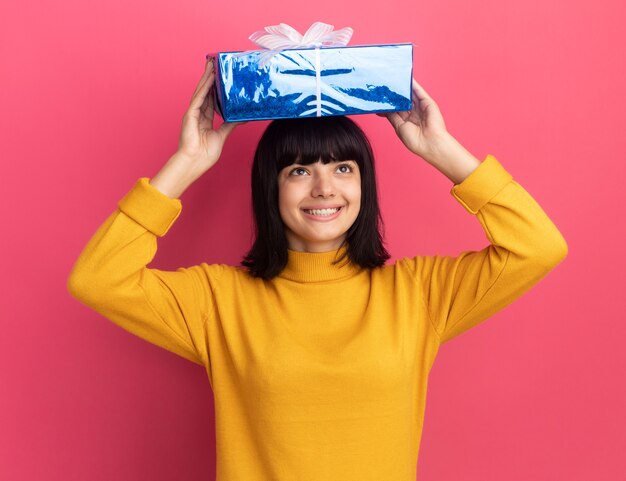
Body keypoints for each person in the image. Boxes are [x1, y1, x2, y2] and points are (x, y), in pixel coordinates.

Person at [67, 56, 568, 480]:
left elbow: (537, 247)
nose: (325, 189)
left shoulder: (418, 294)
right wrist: (188, 161)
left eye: (343, 169)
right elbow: (98, 279)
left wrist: (440, 150)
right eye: (300, 170)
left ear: (363, 187)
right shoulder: (218, 300)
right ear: (271, 189)